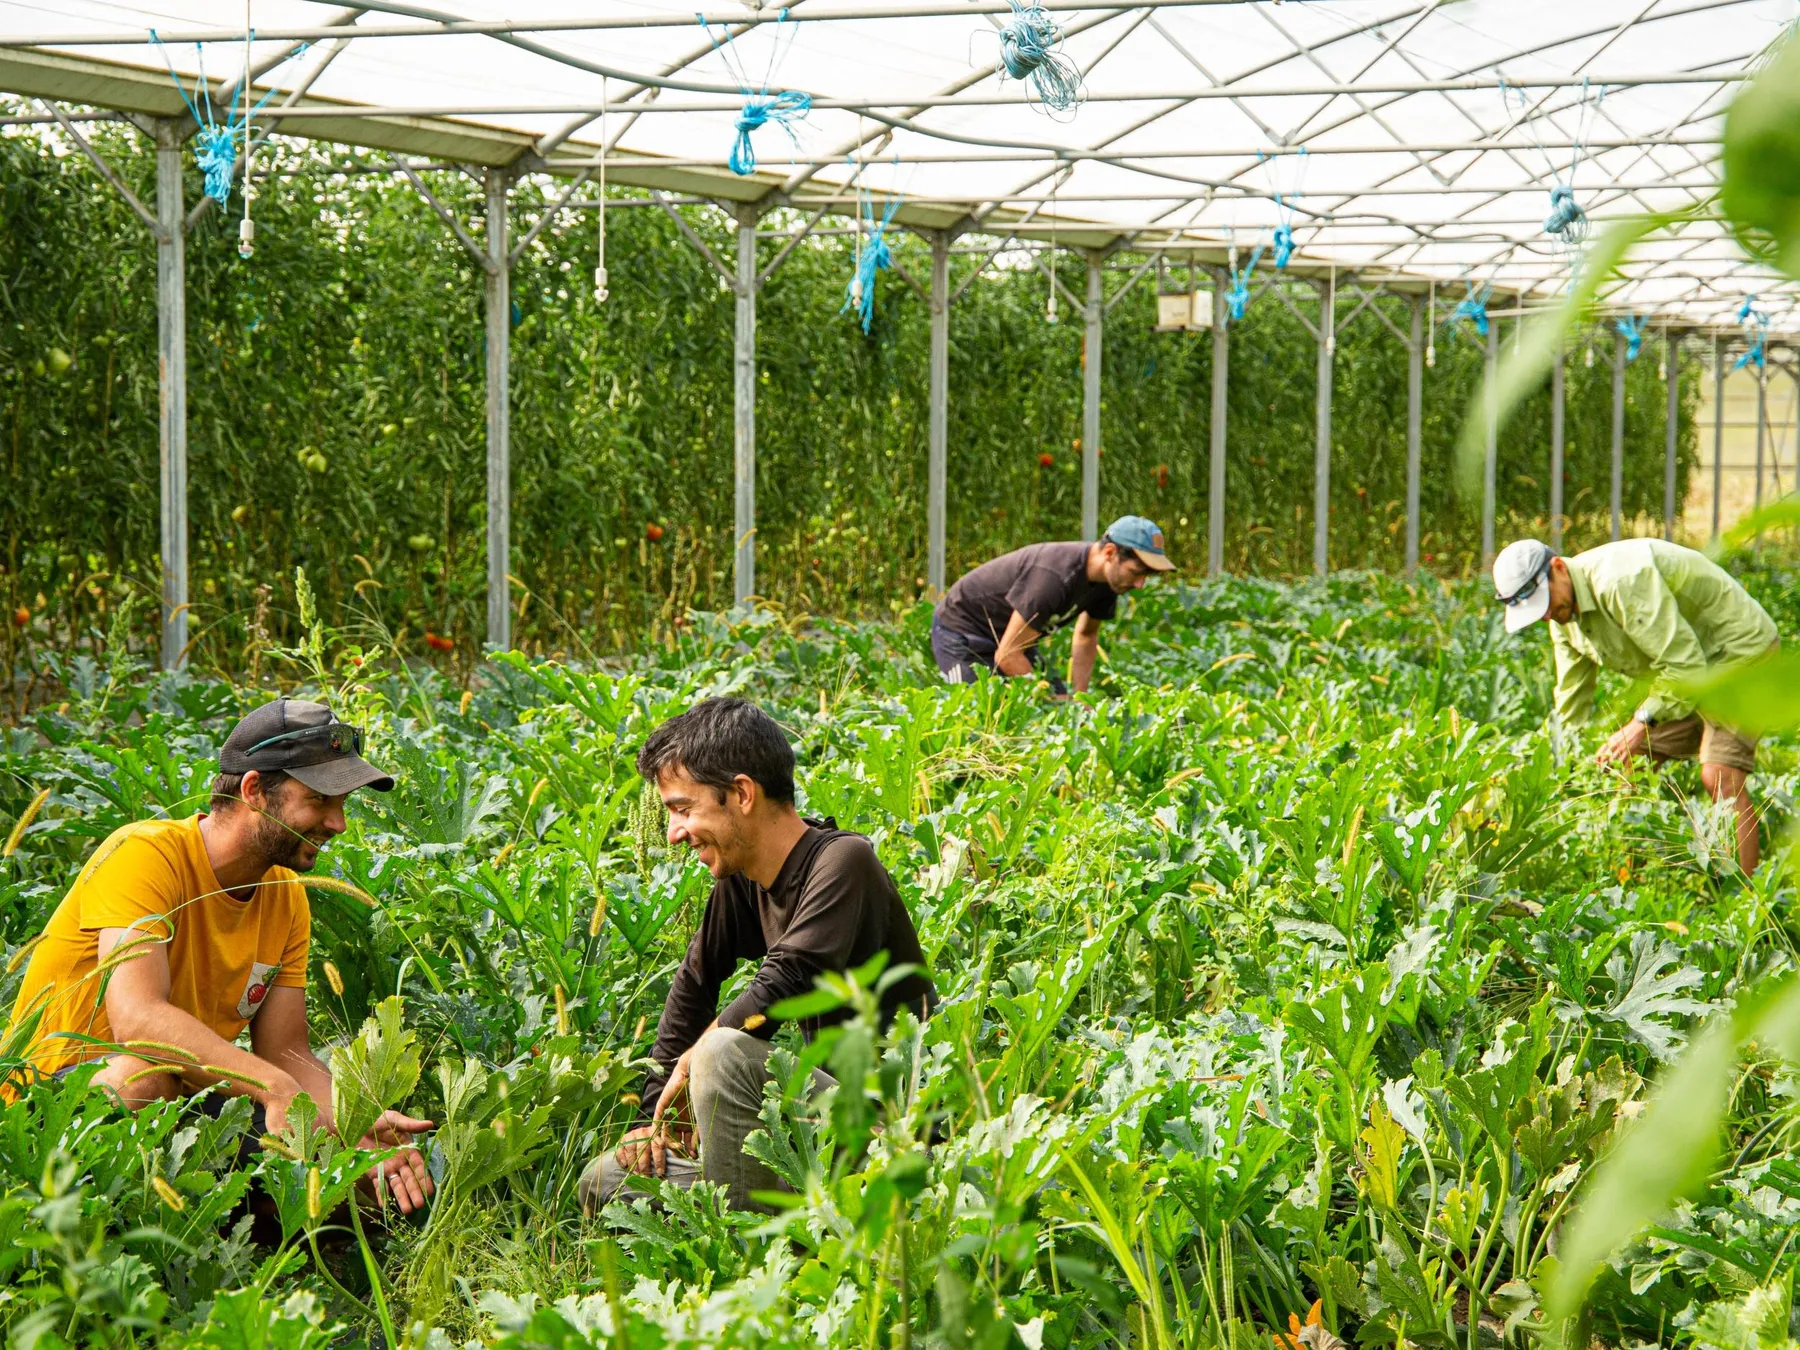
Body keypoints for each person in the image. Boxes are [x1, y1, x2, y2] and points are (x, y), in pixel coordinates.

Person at [2, 698, 435, 1214]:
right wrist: (275, 1091)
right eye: (321, 800)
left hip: (191, 1104)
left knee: (361, 1187)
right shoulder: (144, 856)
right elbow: (138, 1022)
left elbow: (285, 1053)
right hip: (51, 1107)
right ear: (254, 790)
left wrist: (351, 1117)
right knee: (143, 1077)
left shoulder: (286, 895)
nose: (338, 823)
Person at [580, 698, 936, 1214]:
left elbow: (787, 980)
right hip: (812, 1136)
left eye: (683, 809)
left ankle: (752, 1265)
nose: (674, 833)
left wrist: (693, 1066)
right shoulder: (744, 877)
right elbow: (696, 983)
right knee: (607, 1181)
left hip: (889, 1135)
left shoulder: (845, 862)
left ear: (742, 793)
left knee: (722, 1054)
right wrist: (651, 1115)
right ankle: (774, 1222)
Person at [1493, 537, 1780, 874]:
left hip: (1738, 654)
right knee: (1626, 764)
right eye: (1537, 612)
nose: (1546, 617)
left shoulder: (1621, 581)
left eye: (1545, 603)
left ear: (1558, 568)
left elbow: (1685, 666)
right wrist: (1557, 772)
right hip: (1688, 670)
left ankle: (1746, 905)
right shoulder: (1563, 618)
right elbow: (1572, 700)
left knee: (1719, 772)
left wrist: (1640, 723)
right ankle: (1632, 881)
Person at [931, 514, 1175, 693]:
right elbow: (1007, 655)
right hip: (961, 633)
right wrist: (1046, 698)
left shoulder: (1108, 582)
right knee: (972, 710)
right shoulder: (1054, 577)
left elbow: (1087, 635)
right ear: (1110, 553)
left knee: (1061, 708)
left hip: (1013, 639)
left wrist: (1079, 699)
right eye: (1136, 572)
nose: (1140, 584)